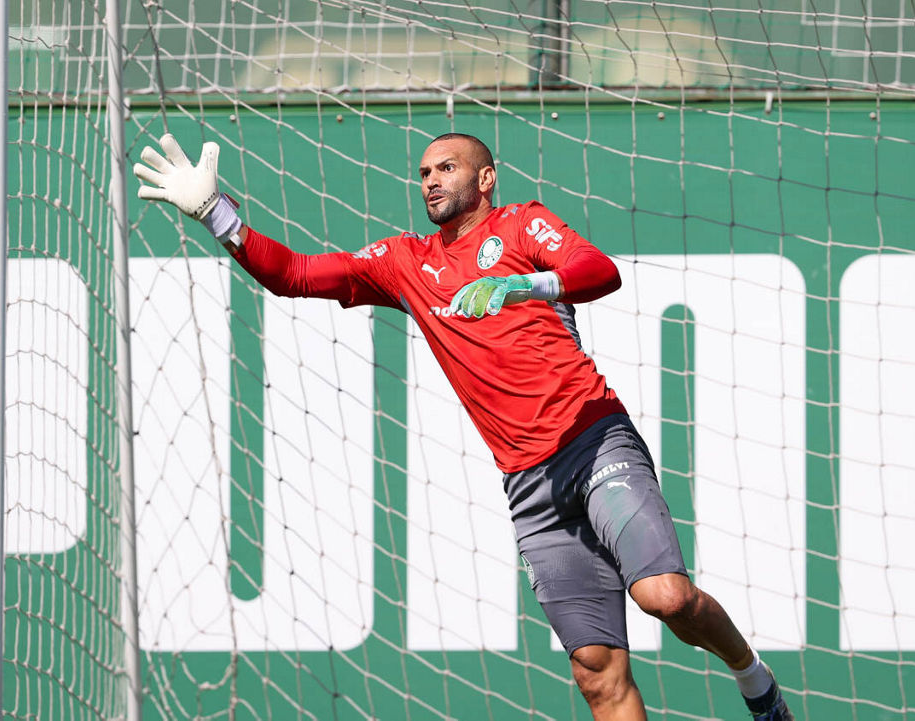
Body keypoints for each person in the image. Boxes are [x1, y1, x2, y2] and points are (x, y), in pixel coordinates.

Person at [133, 131, 795, 721]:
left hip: (593, 441)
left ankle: (755, 682)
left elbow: (600, 271)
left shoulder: (523, 225)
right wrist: (217, 215)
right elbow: (295, 274)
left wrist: (528, 286)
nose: (430, 180)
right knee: (597, 672)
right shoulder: (403, 261)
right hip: (530, 487)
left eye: (446, 168)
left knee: (666, 597)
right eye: (423, 172)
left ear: (485, 178)